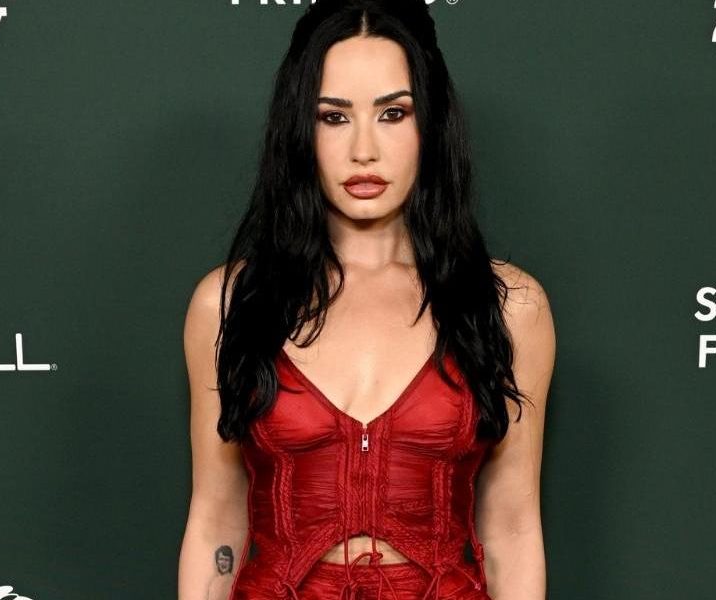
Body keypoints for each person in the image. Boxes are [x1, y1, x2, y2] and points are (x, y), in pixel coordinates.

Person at [178, 0, 554, 598]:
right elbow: (216, 519)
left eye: (393, 113)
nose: (363, 150)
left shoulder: (510, 306)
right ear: (300, 130)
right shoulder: (227, 304)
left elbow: (512, 528)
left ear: (431, 124)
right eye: (333, 117)